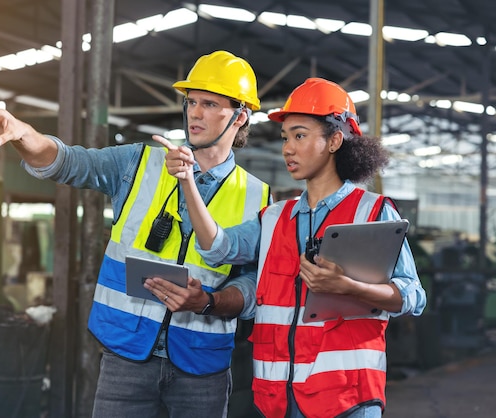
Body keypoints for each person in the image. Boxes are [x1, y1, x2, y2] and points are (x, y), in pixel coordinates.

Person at [0, 50, 271, 418]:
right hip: (126, 353)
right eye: (191, 101)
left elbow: (255, 285)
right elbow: (70, 162)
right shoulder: (139, 163)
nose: (194, 112)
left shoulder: (259, 196)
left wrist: (209, 302)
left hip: (201, 364)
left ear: (240, 116)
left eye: (209, 103)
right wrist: (22, 135)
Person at [150, 77, 427, 418]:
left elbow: (412, 297)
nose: (287, 149)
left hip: (345, 398)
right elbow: (216, 248)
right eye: (285, 138)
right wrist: (188, 182)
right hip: (278, 399)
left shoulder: (372, 212)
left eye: (299, 135)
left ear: (334, 140)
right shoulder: (274, 218)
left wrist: (349, 287)